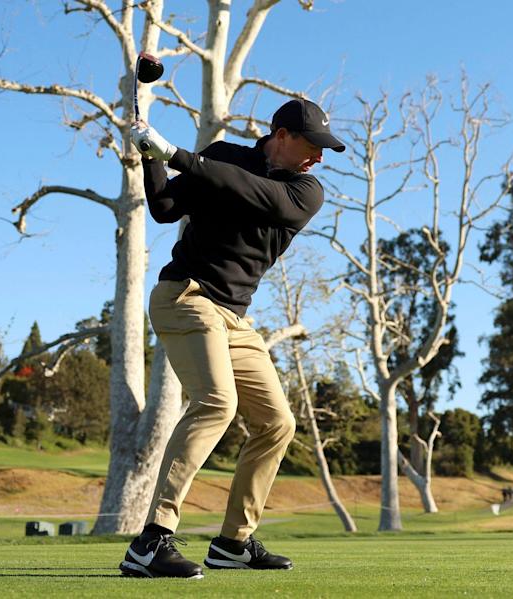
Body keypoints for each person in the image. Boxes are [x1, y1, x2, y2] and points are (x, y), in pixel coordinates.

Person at [118, 98, 345, 579]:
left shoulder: (306, 190)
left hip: (235, 319)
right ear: (280, 135)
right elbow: (163, 208)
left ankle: (232, 543)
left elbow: (251, 192)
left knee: (277, 421)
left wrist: (176, 153)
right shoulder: (224, 155)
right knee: (217, 401)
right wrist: (148, 156)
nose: (319, 157)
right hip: (186, 296)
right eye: (312, 145)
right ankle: (151, 541)